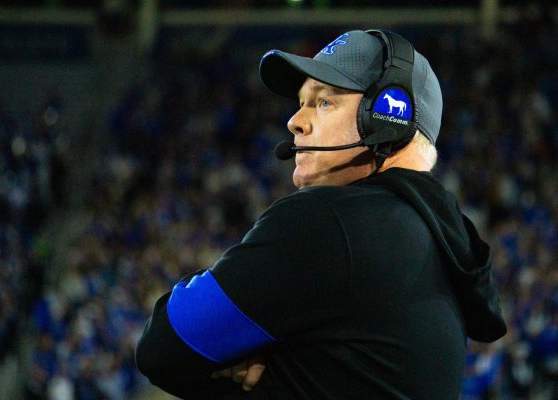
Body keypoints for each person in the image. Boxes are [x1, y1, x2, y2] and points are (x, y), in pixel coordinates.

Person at [135, 29, 507, 399]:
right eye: (301, 101)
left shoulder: (328, 221)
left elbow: (162, 346)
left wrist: (264, 371)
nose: (295, 121)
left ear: (387, 115)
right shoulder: (443, 243)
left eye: (323, 102)